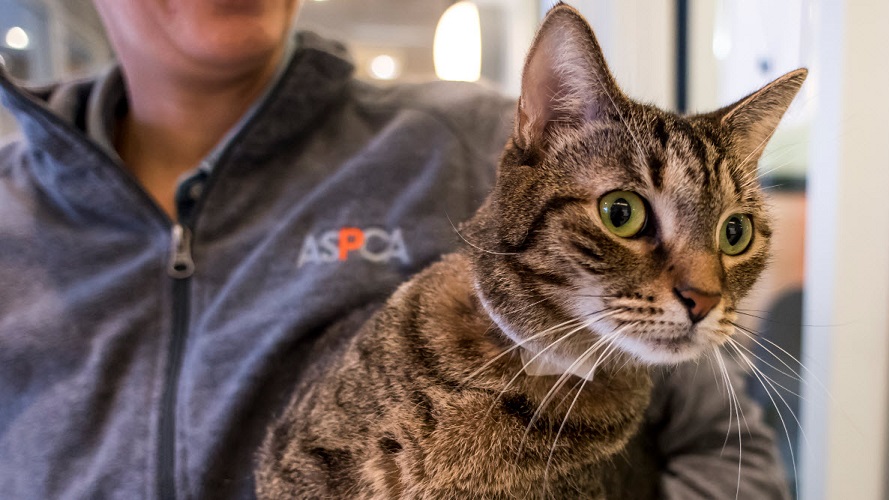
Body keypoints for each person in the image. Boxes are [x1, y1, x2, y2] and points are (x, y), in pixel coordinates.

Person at [0, 1, 789, 498]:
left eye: (731, 236)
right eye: (624, 215)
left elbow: (733, 461)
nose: (700, 285)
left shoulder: (477, 139)